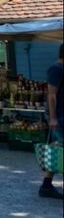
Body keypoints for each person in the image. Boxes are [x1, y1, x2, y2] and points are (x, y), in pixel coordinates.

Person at [39, 43, 63, 200]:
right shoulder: (56, 69)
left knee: (58, 150)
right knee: (57, 150)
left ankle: (46, 185)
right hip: (60, 118)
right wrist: (53, 117)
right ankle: (46, 186)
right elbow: (52, 95)